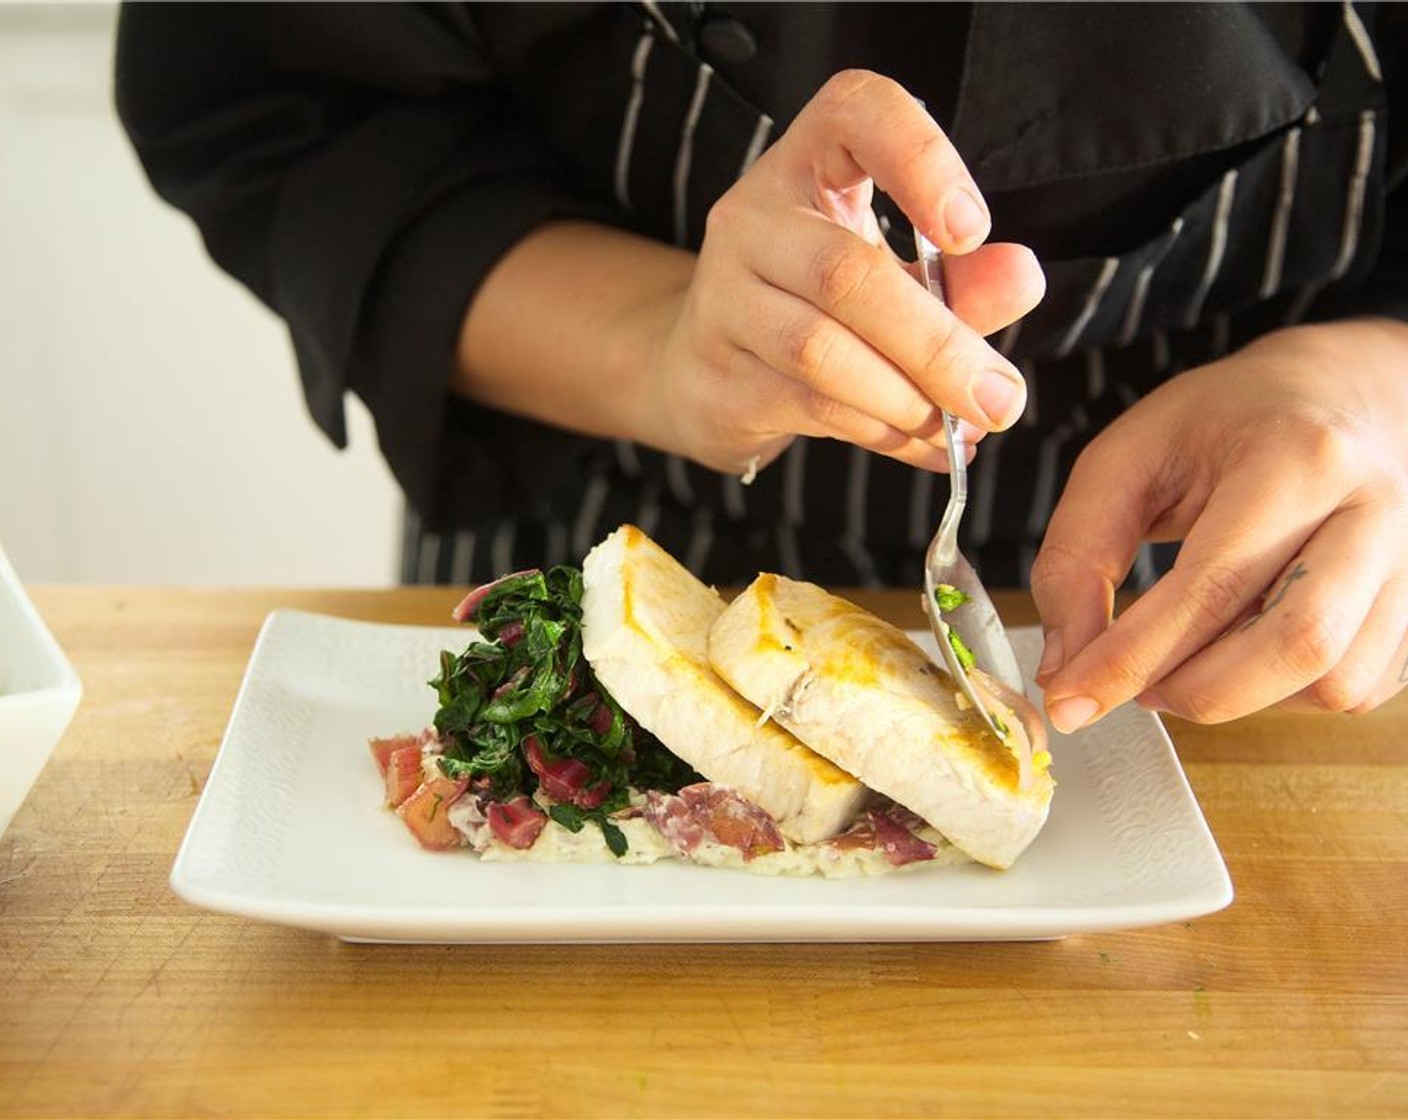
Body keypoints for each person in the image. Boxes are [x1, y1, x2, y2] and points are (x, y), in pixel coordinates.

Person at [114, 2, 1408, 732]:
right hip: (593, 539)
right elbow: (275, 109)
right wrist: (665, 344)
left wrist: (1379, 382)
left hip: (1281, 619)